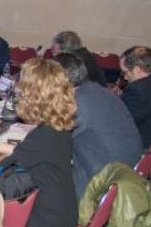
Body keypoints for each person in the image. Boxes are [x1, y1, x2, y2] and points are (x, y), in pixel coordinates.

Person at [0, 58, 79, 227]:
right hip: (61, 214)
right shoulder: (59, 128)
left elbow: (0, 172)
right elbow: (26, 155)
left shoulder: (44, 136)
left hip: (49, 224)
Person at [54, 52, 142, 198]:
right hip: (125, 173)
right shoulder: (100, 91)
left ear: (59, 80)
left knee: (38, 178)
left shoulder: (79, 103)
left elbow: (51, 143)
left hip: (101, 185)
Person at [120, 46, 151, 148]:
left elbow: (120, 121)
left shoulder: (137, 89)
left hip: (141, 147)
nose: (124, 77)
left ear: (137, 70)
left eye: (125, 72)